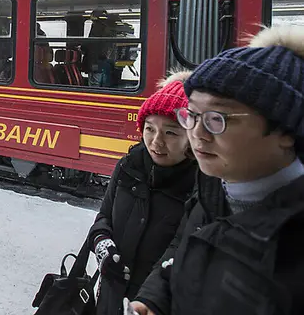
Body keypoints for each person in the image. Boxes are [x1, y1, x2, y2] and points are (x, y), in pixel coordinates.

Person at [131, 25, 304, 315]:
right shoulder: (211, 190)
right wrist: (154, 301)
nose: (197, 133)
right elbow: (182, 260)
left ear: (286, 130)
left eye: (217, 118)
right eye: (192, 115)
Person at [87, 72, 196, 315]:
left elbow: (183, 252)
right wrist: (102, 244)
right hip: (110, 297)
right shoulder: (127, 167)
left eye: (171, 132)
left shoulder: (200, 188)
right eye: (150, 129)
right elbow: (103, 218)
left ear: (191, 137)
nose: (156, 142)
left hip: (155, 305)